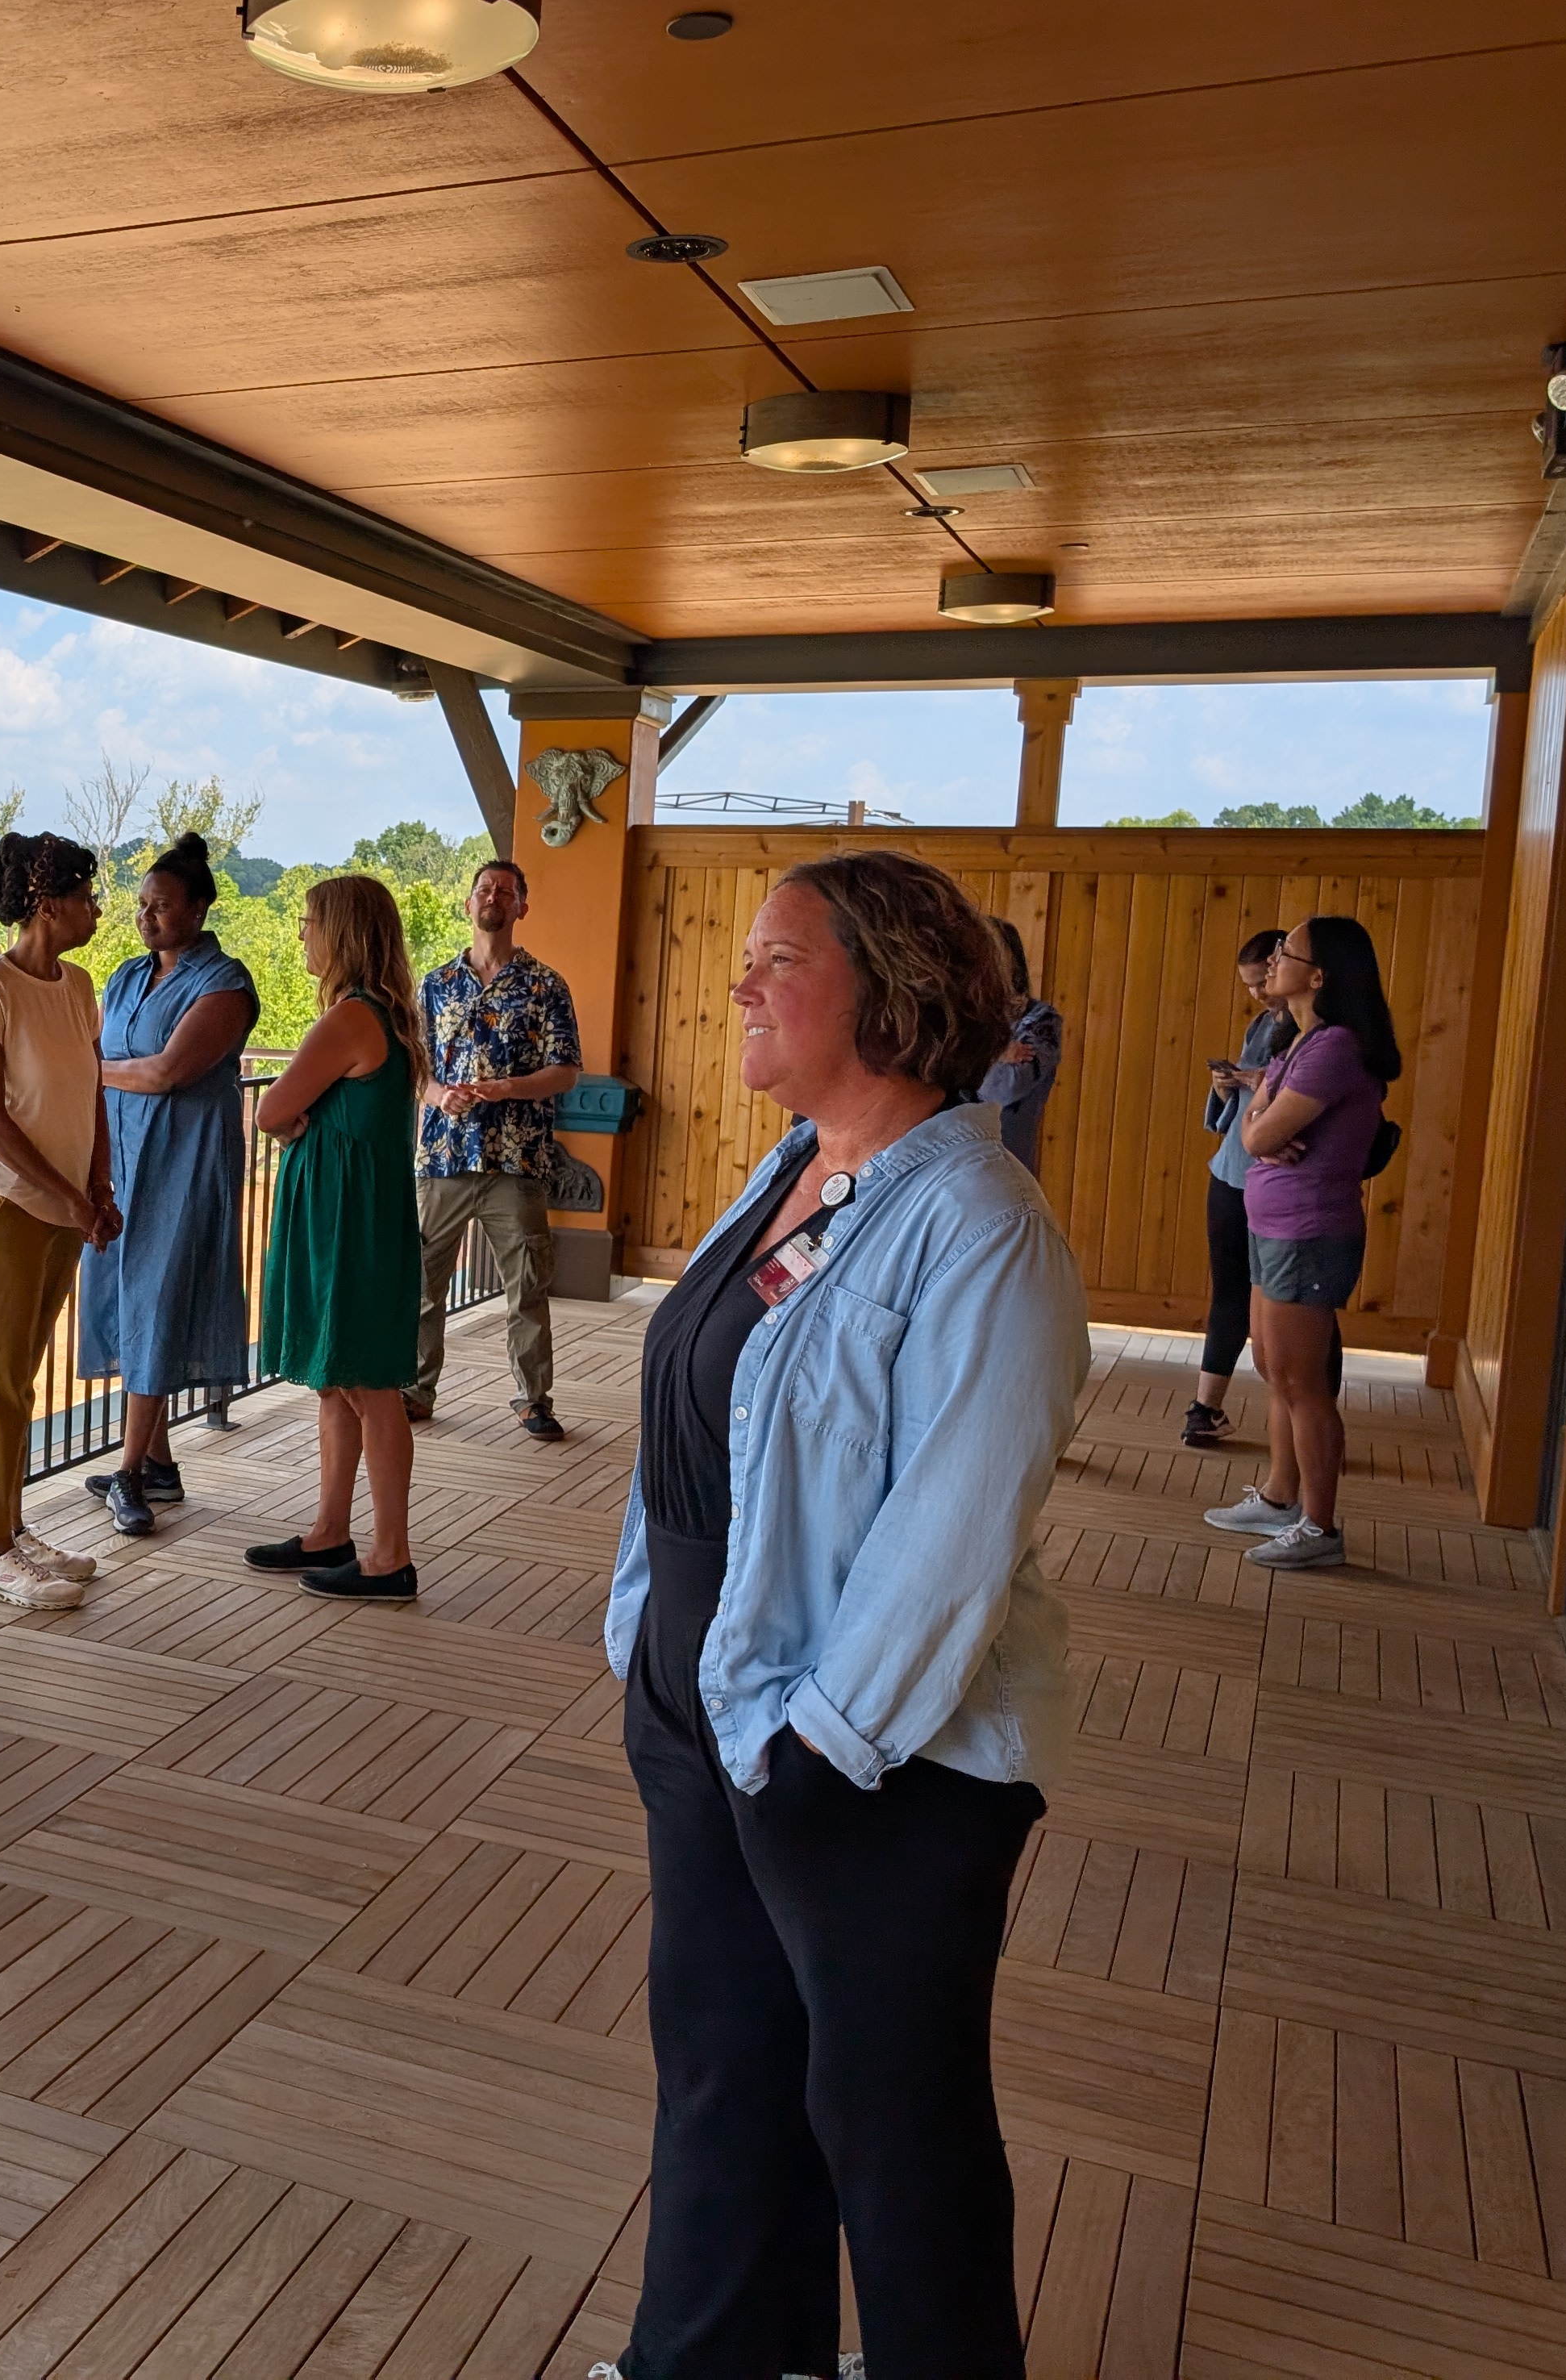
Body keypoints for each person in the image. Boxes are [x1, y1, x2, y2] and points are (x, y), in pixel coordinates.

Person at [607, 850, 1085, 2380]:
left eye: (780, 959)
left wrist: (826, 1744)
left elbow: (958, 1521)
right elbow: (707, 1415)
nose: (741, 983)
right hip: (710, 1703)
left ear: (891, 989)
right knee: (724, 2068)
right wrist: (648, 1645)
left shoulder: (981, 1222)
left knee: (891, 2125)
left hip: (870, 1753)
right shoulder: (797, 1170)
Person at [0, 832, 113, 1611]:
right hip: (0, 1203)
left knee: (20, 1375)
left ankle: (9, 1526)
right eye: (86, 896)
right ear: (47, 904)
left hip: (62, 1206)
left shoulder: (78, 986)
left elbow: (92, 1094)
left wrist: (97, 1187)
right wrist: (70, 1196)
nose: (97, 910)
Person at [244, 875, 425, 1600]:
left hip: (347, 1221)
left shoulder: (351, 1017)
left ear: (342, 933)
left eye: (310, 921)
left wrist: (296, 1125)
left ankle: (390, 1556)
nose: (301, 934)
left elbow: (270, 1112)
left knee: (368, 1383)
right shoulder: (386, 1014)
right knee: (337, 1376)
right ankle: (330, 1530)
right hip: (357, 1213)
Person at [79, 832, 260, 1536]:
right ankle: (156, 1462)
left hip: (185, 1160)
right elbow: (99, 1048)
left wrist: (88, 1072)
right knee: (124, 1291)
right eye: (141, 905)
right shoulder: (127, 976)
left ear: (199, 909)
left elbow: (167, 1072)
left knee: (158, 1294)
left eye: (161, 905)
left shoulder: (225, 983)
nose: (146, 916)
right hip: (120, 1159)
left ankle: (128, 1473)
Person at [1206, 914, 1399, 1572]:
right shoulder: (1296, 1042)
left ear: (1319, 976)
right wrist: (1263, 1116)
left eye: (1286, 951)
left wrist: (1263, 1119)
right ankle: (1280, 1496)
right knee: (1273, 1367)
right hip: (1274, 1225)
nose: (1273, 960)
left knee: (1302, 1381)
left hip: (1308, 1231)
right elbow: (1254, 1123)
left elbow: (1257, 1133)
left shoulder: (1335, 1047)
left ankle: (1320, 1526)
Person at [410, 857, 581, 1441]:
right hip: (444, 1158)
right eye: (484, 889)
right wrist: (438, 1096)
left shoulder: (546, 985)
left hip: (517, 1158)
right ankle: (415, 1390)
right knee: (423, 1285)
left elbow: (566, 1071)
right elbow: (415, 1066)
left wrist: (507, 1088)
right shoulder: (435, 984)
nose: (493, 897)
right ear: (469, 903)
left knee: (527, 1287)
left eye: (505, 891)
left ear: (521, 907)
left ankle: (534, 1400)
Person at [1187, 929, 1296, 1447]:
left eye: (1262, 982)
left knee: (1292, 1306)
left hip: (1279, 1179)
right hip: (1231, 1170)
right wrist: (1226, 1087)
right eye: (1249, 985)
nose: (1258, 993)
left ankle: (1309, 1422)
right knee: (1229, 1290)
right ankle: (1204, 1410)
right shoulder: (1261, 1024)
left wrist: (1260, 1084)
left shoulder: (1317, 1033)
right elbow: (1234, 1115)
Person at [977, 915, 1064, 1176]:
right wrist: (994, 1050)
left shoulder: (1040, 1020)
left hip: (1003, 1174)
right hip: (943, 1175)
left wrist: (968, 1055)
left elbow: (1003, 1088)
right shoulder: (956, 1019)